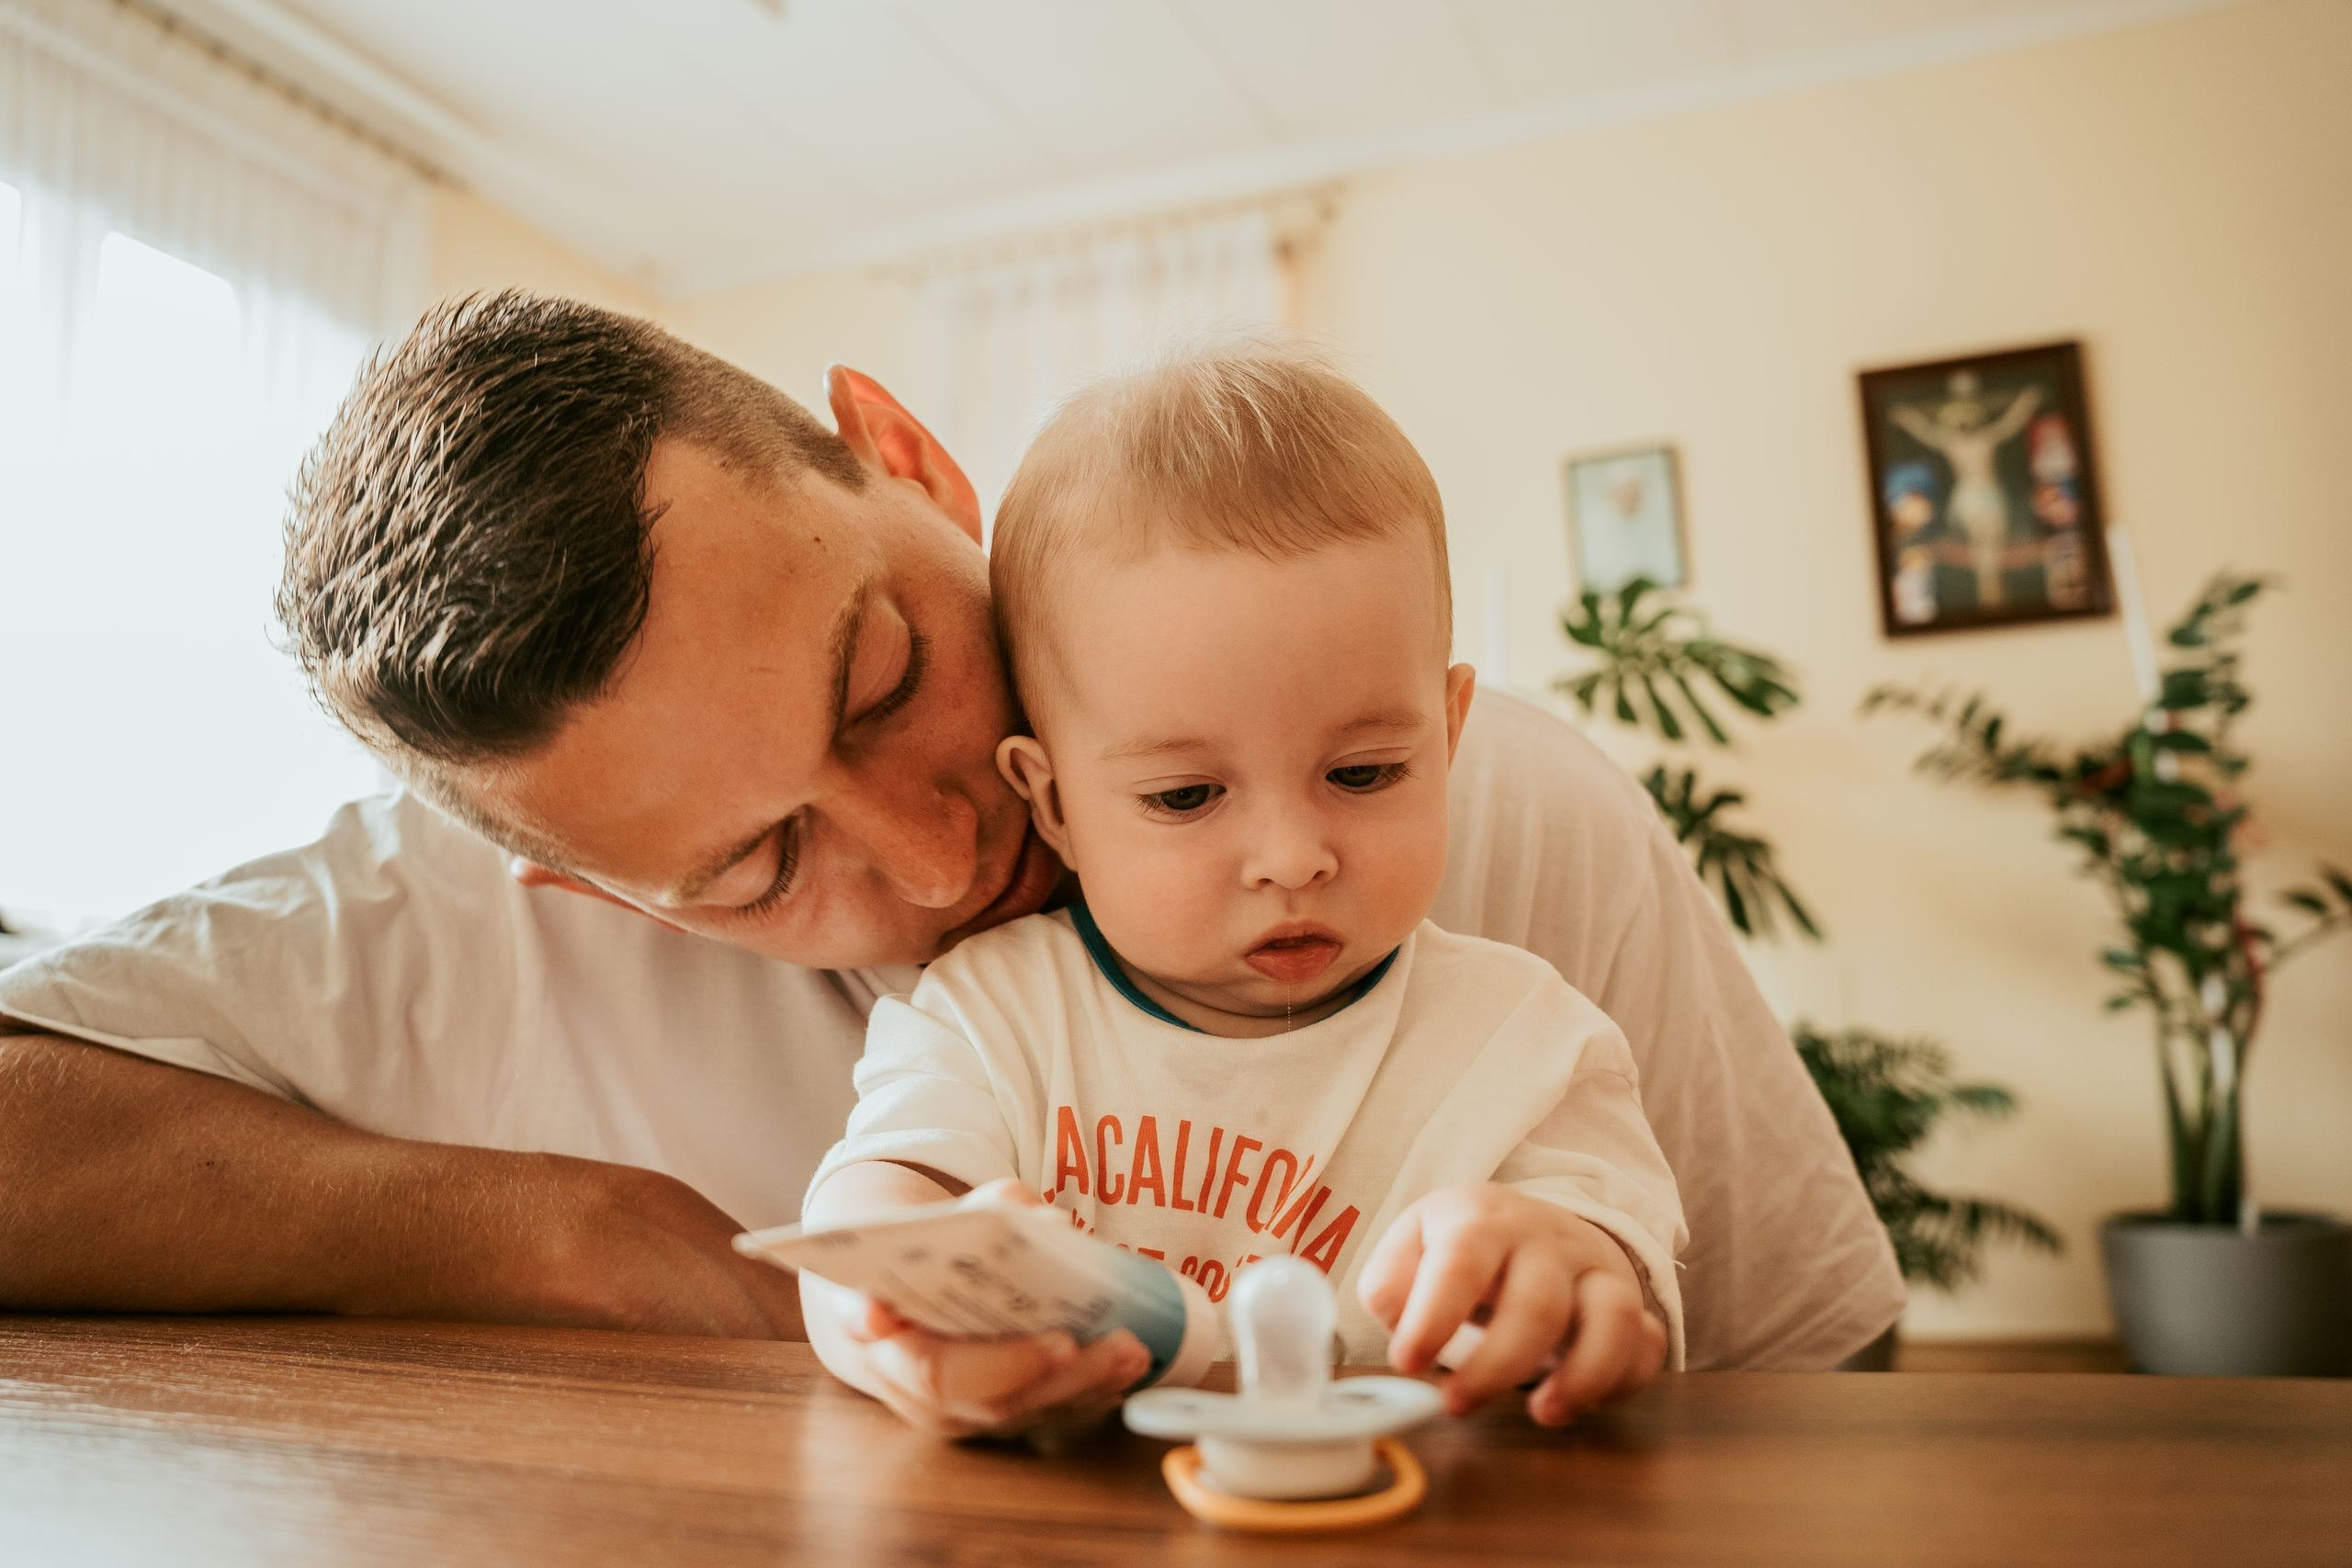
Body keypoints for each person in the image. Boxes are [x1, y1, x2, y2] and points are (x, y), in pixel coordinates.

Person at [0, 294, 1899, 1427]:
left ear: (902, 456)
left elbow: (1828, 1369)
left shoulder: (1475, 820)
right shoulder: (426, 924)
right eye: (754, 870)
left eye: (885, 675)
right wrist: (560, 1236)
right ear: (584, 891)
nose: (933, 853)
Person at [801, 349, 1684, 1436]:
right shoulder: (989, 1019)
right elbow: (866, 1206)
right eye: (1184, 796)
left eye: (1363, 774)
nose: (1291, 857)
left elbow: (1615, 1267)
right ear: (1054, 802)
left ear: (1449, 738)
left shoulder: (1530, 1043)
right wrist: (889, 1323)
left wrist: (1565, 1269)